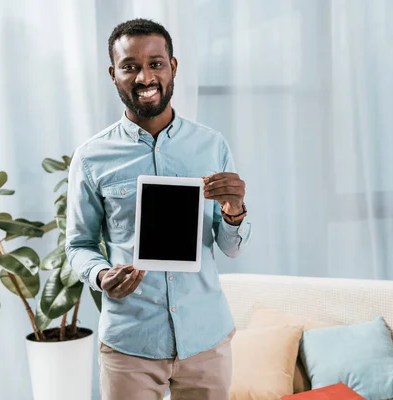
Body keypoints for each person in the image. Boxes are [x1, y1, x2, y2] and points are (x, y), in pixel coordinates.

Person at [65, 18, 251, 400]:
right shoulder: (91, 158)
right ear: (113, 74)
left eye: (155, 63)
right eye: (129, 66)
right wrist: (101, 276)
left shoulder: (211, 145)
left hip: (206, 342)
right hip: (130, 343)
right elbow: (78, 245)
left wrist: (234, 211)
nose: (144, 77)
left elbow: (230, 248)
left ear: (173, 67)